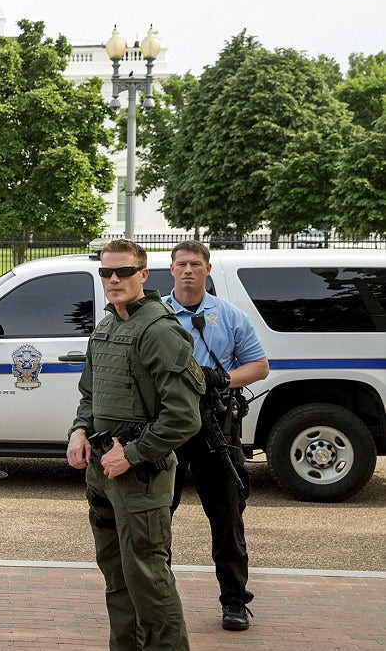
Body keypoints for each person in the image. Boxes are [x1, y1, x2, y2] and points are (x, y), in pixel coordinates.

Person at [67, 238, 204, 650]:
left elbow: (184, 417)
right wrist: (78, 430)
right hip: (103, 474)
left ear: (143, 275)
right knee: (117, 578)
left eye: (124, 271)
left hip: (140, 477)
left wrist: (131, 455)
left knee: (148, 580)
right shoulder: (108, 324)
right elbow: (89, 394)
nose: (114, 279)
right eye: (106, 272)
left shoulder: (160, 331)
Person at [165, 240, 269, 632]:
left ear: (207, 269)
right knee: (158, 515)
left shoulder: (229, 316)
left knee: (227, 517)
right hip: (167, 425)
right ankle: (159, 598)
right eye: (181, 264)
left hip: (216, 426)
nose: (188, 270)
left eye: (195, 264)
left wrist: (222, 379)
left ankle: (234, 601)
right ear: (170, 270)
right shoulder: (155, 315)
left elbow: (258, 366)